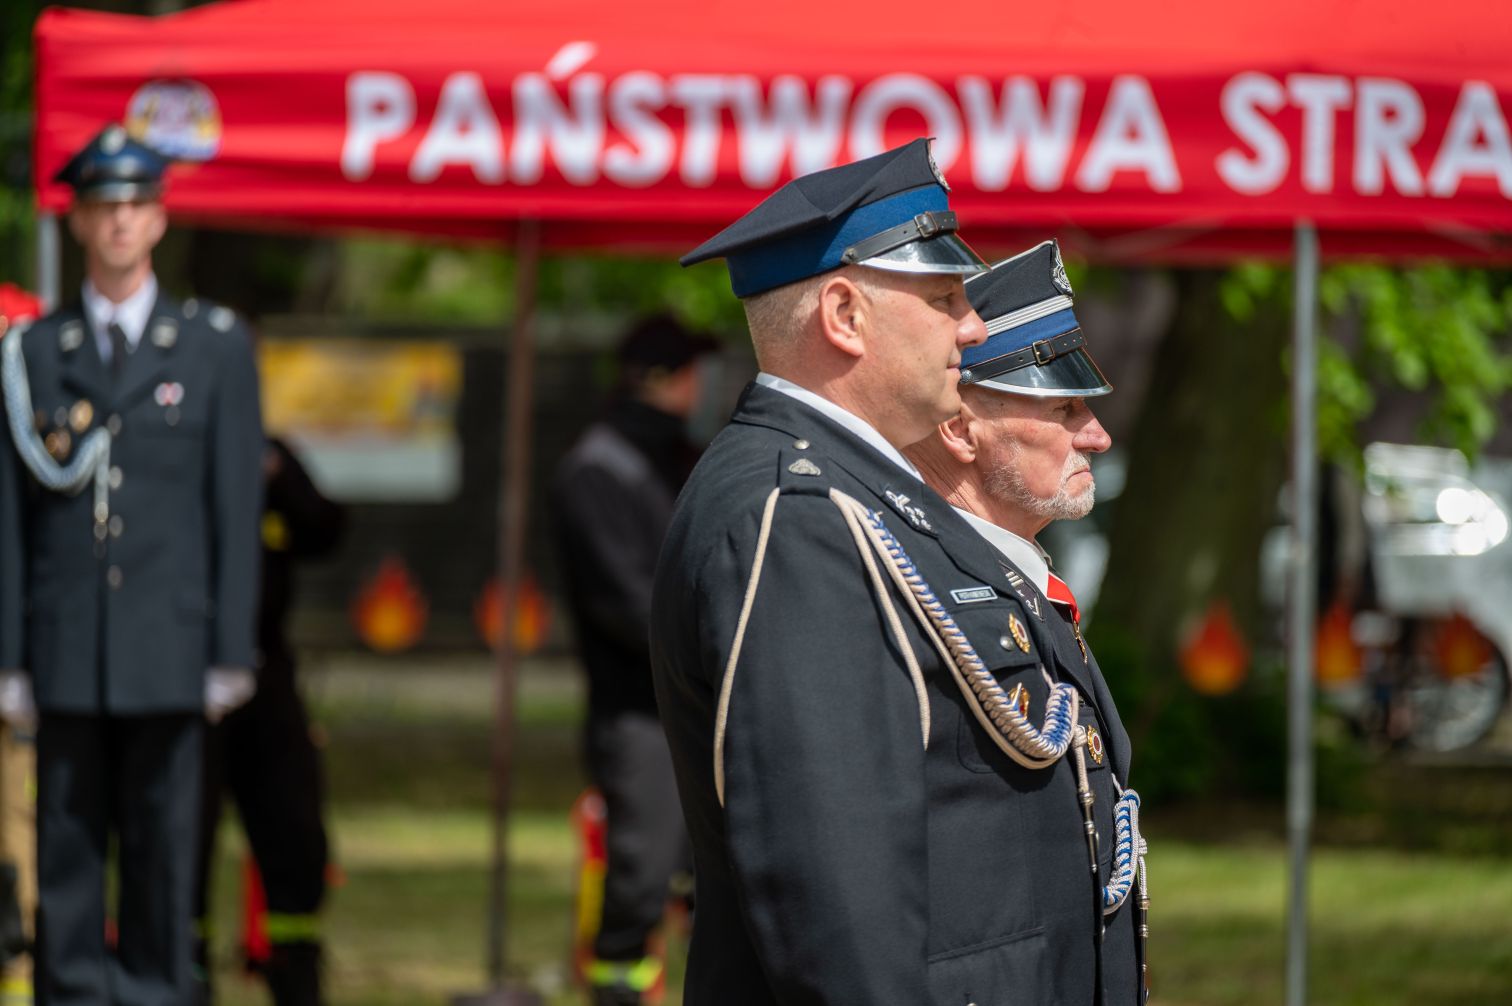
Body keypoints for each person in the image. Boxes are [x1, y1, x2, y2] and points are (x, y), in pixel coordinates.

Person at [652, 137, 1140, 1005]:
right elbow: (837, 907)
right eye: (945, 297)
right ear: (845, 315)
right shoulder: (796, 515)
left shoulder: (853, 495)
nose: (973, 326)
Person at [0, 124, 263, 1005]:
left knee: (163, 852)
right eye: (104, 206)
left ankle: (155, 993)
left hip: (168, 646)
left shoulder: (213, 346)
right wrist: (9, 658)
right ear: (77, 221)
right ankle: (73, 994)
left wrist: (231, 648)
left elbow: (233, 506)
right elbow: (11, 519)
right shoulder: (36, 352)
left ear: (159, 219)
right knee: (66, 848)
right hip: (67, 644)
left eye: (137, 204)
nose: (120, 221)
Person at [903, 239, 1148, 1003]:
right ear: (959, 429)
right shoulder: (921, 585)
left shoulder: (1015, 578)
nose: (1097, 436)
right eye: (1065, 409)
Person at [549, 316, 713, 1006]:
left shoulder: (687, 458)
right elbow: (622, 603)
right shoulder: (598, 469)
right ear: (662, 379)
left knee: (716, 877)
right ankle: (617, 984)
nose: (699, 389)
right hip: (637, 713)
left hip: (705, 704)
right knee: (641, 877)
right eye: (691, 374)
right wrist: (715, 634)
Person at [195, 436, 342, 1006]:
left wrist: (277, 476)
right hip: (187, 676)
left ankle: (295, 972)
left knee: (294, 832)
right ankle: (184, 971)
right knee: (185, 835)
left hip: (266, 673)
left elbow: (324, 529)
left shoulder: (263, 451)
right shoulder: (168, 439)